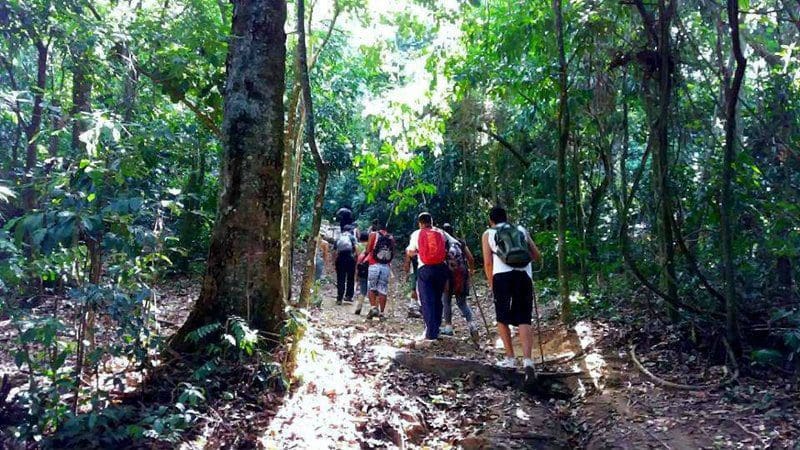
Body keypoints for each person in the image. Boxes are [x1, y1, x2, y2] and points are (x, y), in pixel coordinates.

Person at [481, 206, 542, 371]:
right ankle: (528, 361)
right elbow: (536, 255)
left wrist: (491, 282)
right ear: (506, 217)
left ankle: (510, 359)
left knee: (502, 318)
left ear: (491, 220)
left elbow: (487, 262)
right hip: (524, 277)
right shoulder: (521, 230)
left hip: (501, 277)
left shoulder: (489, 234)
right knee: (524, 318)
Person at [406, 212, 456, 343]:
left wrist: (416, 252)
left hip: (425, 269)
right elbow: (454, 246)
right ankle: (436, 328)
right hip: (441, 269)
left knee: (427, 300)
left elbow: (410, 251)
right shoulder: (441, 232)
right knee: (437, 299)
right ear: (431, 221)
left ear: (420, 223)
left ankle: (430, 333)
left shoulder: (417, 234)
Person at [440, 223, 478, 342]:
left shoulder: (442, 243)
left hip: (448, 274)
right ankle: (472, 324)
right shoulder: (460, 242)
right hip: (462, 274)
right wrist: (471, 270)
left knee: (446, 300)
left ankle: (448, 327)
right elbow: (470, 258)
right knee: (462, 303)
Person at [365, 220, 395, 319]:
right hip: (386, 266)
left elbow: (368, 250)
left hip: (374, 264)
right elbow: (393, 254)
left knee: (372, 287)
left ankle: (373, 308)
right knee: (383, 289)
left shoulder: (373, 235)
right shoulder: (391, 237)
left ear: (377, 226)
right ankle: (382, 313)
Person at [334, 225, 357, 305]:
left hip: (340, 258)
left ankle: (339, 298)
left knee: (340, 278)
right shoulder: (352, 237)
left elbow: (335, 251)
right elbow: (356, 249)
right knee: (350, 278)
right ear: (350, 230)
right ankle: (349, 296)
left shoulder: (338, 237)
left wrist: (335, 261)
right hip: (350, 259)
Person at [354, 231, 370, 315]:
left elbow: (358, 257)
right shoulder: (371, 247)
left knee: (362, 289)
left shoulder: (357, 245)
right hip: (371, 267)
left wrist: (356, 272)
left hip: (362, 267)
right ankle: (373, 309)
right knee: (373, 290)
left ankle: (359, 307)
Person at [403, 252, 422, 318]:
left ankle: (413, 307)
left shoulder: (414, 243)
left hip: (415, 269)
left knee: (415, 288)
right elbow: (408, 259)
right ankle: (416, 306)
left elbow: (407, 259)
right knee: (415, 288)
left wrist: (406, 272)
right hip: (417, 269)